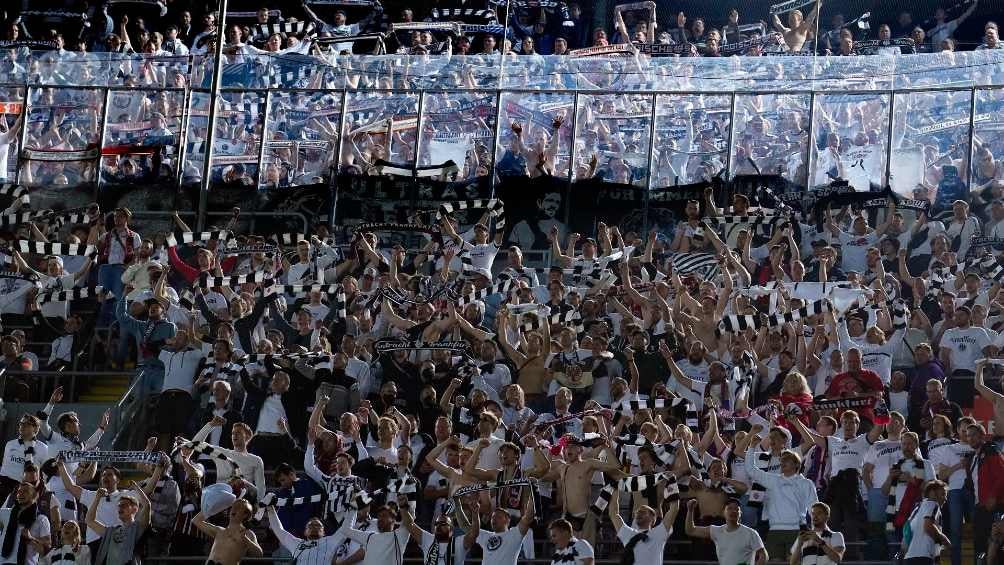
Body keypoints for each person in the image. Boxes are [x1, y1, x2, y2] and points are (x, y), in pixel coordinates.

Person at [608, 487, 680, 565]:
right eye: (638, 512)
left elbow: (674, 508)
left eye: (643, 512)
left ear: (653, 518)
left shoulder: (659, 533)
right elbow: (613, 513)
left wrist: (672, 483)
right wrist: (614, 487)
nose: (639, 513)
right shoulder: (628, 533)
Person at [685, 498, 767, 565]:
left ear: (740, 514)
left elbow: (763, 555)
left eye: (736, 509)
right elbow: (691, 531)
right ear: (723, 512)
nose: (733, 511)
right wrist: (690, 510)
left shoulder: (751, 533)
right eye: (729, 508)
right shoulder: (716, 531)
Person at [266, 505, 354, 565]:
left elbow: (346, 528)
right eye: (310, 525)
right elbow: (278, 529)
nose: (314, 527)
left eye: (318, 526)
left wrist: (354, 507)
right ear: (305, 532)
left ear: (324, 532)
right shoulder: (297, 544)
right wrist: (270, 507)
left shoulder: (331, 541)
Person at [86, 483, 151, 565]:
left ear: (135, 509)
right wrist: (97, 498)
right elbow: (89, 520)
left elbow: (147, 505)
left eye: (124, 505)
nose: (120, 508)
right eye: (119, 506)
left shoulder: (138, 527)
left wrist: (135, 487)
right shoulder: (111, 532)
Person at [463, 497, 536, 565]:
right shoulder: (486, 535)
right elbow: (465, 527)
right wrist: (457, 504)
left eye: (498, 517)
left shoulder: (514, 534)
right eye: (493, 517)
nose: (494, 519)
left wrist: (533, 490)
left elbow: (528, 517)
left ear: (507, 520)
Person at [192, 499, 263, 565]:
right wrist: (213, 506)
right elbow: (196, 521)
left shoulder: (248, 534)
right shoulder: (219, 530)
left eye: (239, 507)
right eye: (233, 507)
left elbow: (259, 555)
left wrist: (246, 540)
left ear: (245, 515)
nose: (234, 509)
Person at [0, 481, 51, 565]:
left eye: (25, 491)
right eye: (19, 491)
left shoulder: (41, 519)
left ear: (34, 496)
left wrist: (31, 539)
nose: (21, 494)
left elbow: (47, 548)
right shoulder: (5, 513)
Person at [901, 481, 951, 565]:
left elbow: (906, 531)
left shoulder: (917, 509)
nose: (945, 499)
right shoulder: (933, 504)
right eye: (943, 494)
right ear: (932, 493)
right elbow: (928, 526)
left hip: (908, 558)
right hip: (923, 558)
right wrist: (944, 539)